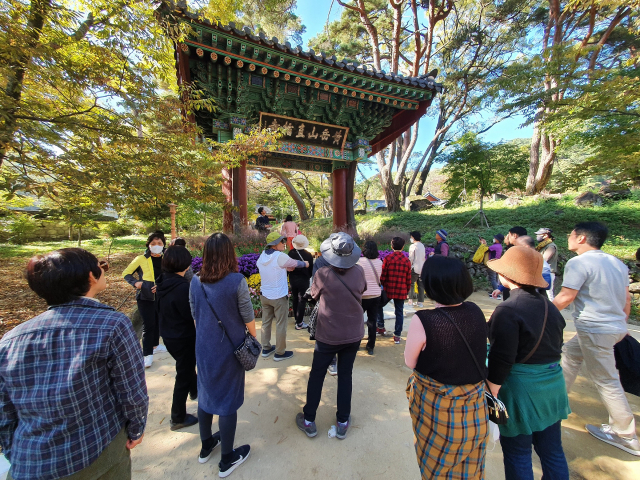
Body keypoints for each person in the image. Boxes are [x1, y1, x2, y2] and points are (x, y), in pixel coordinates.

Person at [0, 248, 148, 480]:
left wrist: (14, 452)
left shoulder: (11, 338)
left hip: (29, 459)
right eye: (101, 266)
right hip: (97, 449)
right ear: (91, 276)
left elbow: (5, 408)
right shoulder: (112, 325)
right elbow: (132, 389)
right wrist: (136, 428)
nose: (104, 270)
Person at [553, 222, 639, 456]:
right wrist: (622, 325)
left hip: (595, 329)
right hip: (614, 327)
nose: (568, 238)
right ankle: (557, 401)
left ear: (581, 238)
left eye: (571, 234)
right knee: (570, 354)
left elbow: (567, 296)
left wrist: (540, 314)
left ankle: (625, 434)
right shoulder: (616, 263)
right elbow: (626, 300)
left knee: (606, 379)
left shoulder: (579, 262)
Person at [486, 246, 571, 480]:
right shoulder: (550, 308)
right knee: (552, 451)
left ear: (506, 275)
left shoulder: (508, 310)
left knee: (518, 453)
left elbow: (502, 359)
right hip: (553, 389)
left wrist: (491, 392)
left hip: (523, 392)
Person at [405, 256, 488, 479]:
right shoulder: (475, 311)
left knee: (436, 468)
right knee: (470, 468)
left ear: (431, 285)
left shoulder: (423, 320)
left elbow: (410, 362)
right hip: (473, 407)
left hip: (437, 406)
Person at [189, 233, 257, 474]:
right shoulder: (237, 280)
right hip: (230, 349)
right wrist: (253, 338)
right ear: (230, 253)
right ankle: (227, 459)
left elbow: (195, 315)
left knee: (206, 393)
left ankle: (206, 444)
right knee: (228, 400)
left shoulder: (195, 281)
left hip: (204, 346)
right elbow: (248, 316)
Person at [296, 232, 366, 440]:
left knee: (317, 375)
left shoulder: (322, 274)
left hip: (328, 334)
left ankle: (309, 420)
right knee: (346, 375)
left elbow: (314, 295)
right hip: (353, 333)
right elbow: (362, 290)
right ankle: (343, 421)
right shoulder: (360, 271)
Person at [156, 245, 198, 431]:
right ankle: (177, 417)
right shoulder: (181, 288)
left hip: (169, 335)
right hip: (183, 337)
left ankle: (195, 390)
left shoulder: (163, 281)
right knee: (184, 373)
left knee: (187, 369)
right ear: (184, 264)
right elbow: (190, 315)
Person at [257, 231, 308, 362]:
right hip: (279, 296)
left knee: (266, 322)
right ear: (274, 244)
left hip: (265, 295)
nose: (284, 244)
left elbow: (277, 268)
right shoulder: (279, 256)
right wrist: (306, 264)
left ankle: (266, 348)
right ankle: (280, 352)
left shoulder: (262, 256)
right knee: (281, 324)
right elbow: (296, 263)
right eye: (281, 242)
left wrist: (285, 268)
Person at [123, 230, 168, 368]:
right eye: (153, 243)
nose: (156, 245)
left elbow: (170, 275)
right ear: (148, 245)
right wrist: (136, 283)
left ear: (163, 245)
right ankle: (147, 354)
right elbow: (126, 273)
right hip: (145, 297)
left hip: (161, 296)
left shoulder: (167, 258)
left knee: (158, 321)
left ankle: (155, 345)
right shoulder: (141, 259)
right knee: (148, 325)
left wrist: (162, 286)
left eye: (159, 243)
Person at [381, 236, 412, 344]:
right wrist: (406, 290)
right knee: (399, 312)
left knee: (378, 306)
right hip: (401, 289)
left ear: (391, 246)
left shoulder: (387, 259)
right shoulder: (407, 261)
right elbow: (408, 279)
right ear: (403, 247)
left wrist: (383, 285)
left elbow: (383, 276)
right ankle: (397, 335)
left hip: (389, 288)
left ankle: (380, 326)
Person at [357, 240, 383, 355]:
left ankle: (356, 343)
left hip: (362, 296)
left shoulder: (359, 261)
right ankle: (370, 346)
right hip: (376, 295)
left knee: (357, 320)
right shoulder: (379, 262)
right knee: (372, 321)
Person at [288, 234, 313, 330]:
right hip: (304, 279)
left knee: (295, 298)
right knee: (302, 300)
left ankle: (297, 318)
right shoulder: (308, 255)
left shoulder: (291, 253)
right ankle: (299, 323)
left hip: (293, 278)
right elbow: (311, 269)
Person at [535, 228, 558, 300]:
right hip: (541, 271)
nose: (537, 236)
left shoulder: (550, 246)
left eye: (539, 235)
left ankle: (554, 310)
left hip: (548, 272)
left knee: (549, 294)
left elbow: (544, 259)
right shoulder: (542, 246)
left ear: (545, 235)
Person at [407, 231, 425, 308]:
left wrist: (409, 267)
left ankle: (410, 301)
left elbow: (411, 258)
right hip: (422, 268)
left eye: (411, 237)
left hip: (415, 267)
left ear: (413, 237)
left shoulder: (413, 246)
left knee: (411, 284)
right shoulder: (422, 245)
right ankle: (420, 302)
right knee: (421, 285)